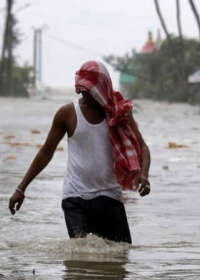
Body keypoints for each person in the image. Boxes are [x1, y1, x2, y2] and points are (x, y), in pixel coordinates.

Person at [8, 60, 151, 244]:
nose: (85, 93)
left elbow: (143, 147)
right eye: (83, 88)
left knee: (119, 257)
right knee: (80, 253)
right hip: (75, 197)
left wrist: (143, 174)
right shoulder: (67, 113)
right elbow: (46, 152)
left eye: (90, 89)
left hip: (109, 196)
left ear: (103, 87)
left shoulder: (119, 113)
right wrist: (21, 188)